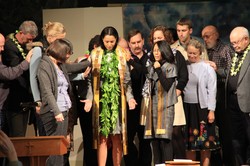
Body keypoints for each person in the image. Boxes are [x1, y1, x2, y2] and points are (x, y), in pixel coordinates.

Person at [37, 38, 90, 166]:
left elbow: (74, 67)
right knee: (55, 148)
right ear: (60, 52)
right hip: (53, 112)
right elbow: (47, 92)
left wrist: (90, 61)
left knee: (60, 147)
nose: (68, 56)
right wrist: (56, 112)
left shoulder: (59, 65)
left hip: (64, 110)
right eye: (67, 53)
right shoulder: (45, 65)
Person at [90, 26, 137, 166]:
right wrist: (88, 98)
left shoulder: (122, 54)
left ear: (116, 39)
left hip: (117, 101)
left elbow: (127, 80)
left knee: (117, 136)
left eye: (112, 41)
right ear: (102, 40)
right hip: (102, 101)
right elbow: (89, 80)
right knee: (102, 136)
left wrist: (130, 98)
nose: (109, 44)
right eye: (106, 41)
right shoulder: (95, 54)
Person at [149, 25, 188, 159]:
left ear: (166, 38)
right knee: (158, 137)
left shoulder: (176, 54)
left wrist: (176, 92)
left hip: (172, 97)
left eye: (160, 38)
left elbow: (183, 76)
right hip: (157, 101)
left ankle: (179, 161)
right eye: (155, 38)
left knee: (175, 133)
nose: (157, 40)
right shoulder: (152, 57)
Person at [201, 25, 234, 165]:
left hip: (222, 94)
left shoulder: (225, 49)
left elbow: (233, 73)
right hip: (208, 96)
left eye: (207, 36)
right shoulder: (203, 51)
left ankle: (228, 161)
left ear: (216, 35)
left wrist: (216, 69)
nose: (205, 39)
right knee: (211, 132)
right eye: (203, 37)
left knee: (225, 131)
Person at [183, 39, 219, 166]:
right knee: (190, 145)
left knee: (204, 145)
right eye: (190, 53)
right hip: (187, 108)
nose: (192, 56)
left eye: (194, 53)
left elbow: (212, 90)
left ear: (200, 52)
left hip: (202, 109)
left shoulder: (207, 67)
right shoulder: (184, 66)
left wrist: (211, 110)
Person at [142, 40, 177, 164]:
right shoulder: (152, 66)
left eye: (158, 50)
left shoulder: (170, 66)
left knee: (165, 140)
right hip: (153, 106)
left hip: (165, 106)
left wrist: (158, 70)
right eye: (154, 50)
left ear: (164, 51)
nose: (156, 53)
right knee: (155, 141)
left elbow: (167, 85)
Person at [1, 20, 38, 137]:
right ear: (21, 33)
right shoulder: (9, 46)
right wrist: (27, 61)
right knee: (17, 135)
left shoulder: (23, 46)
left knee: (22, 134)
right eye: (29, 39)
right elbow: (13, 71)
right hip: (14, 98)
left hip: (24, 97)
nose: (30, 42)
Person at [123, 29, 152, 166]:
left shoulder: (150, 58)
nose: (136, 45)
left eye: (139, 42)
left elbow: (146, 72)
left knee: (145, 140)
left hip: (146, 105)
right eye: (133, 43)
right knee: (127, 139)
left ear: (143, 41)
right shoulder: (125, 61)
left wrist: (132, 63)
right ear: (129, 44)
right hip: (130, 105)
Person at [71, 34, 100, 166]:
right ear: (95, 47)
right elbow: (70, 76)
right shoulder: (83, 61)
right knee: (89, 140)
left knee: (100, 140)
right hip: (86, 105)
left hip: (99, 104)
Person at [227, 26, 250, 165]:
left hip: (247, 103)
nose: (234, 46)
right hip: (233, 102)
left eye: (236, 42)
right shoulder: (236, 55)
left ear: (246, 39)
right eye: (232, 43)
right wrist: (218, 69)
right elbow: (233, 74)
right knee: (236, 138)